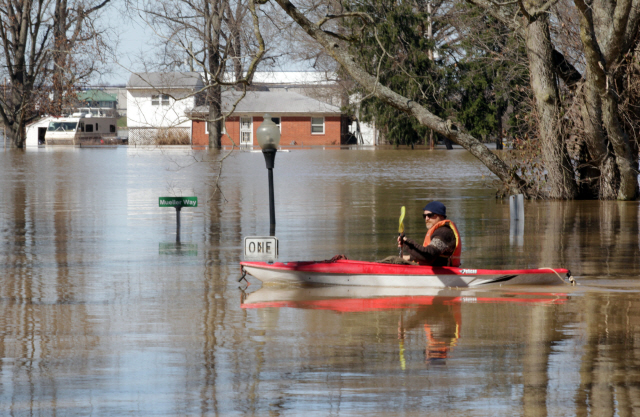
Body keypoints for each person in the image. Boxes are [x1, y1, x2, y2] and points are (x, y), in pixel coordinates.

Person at [397, 201, 462, 267]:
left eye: (430, 215)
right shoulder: (439, 231)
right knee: (394, 259)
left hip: (442, 272)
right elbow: (435, 254)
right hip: (433, 268)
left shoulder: (444, 232)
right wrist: (410, 258)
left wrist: (407, 242)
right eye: (424, 216)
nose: (426, 219)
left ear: (441, 216)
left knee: (391, 260)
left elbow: (428, 255)